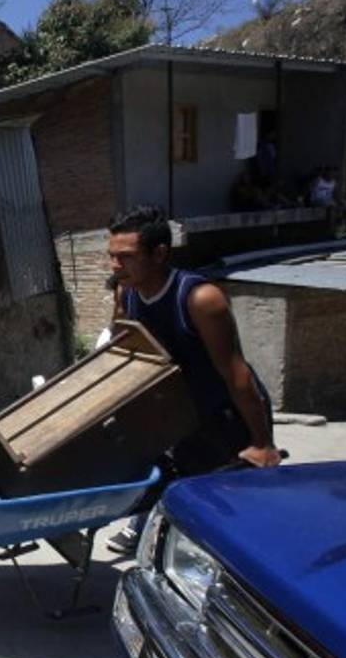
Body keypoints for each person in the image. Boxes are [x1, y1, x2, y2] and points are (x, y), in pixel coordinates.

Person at [105, 205, 280, 554]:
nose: (114, 265)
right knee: (188, 503)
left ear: (159, 254)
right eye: (111, 256)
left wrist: (263, 443)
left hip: (228, 417)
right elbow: (124, 347)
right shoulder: (127, 294)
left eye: (125, 257)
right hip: (184, 416)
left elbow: (236, 374)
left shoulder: (200, 298)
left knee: (238, 515)